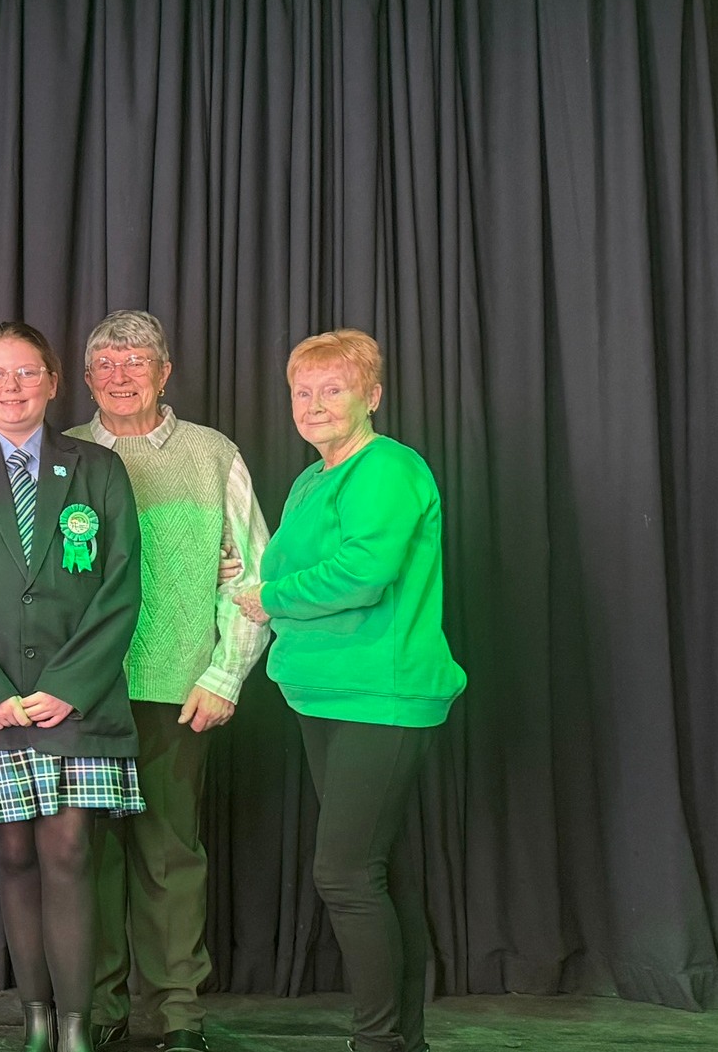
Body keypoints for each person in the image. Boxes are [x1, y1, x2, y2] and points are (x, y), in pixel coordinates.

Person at [0, 322, 144, 1052]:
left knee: (69, 850)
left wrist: (71, 685)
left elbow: (121, 588)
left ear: (52, 382)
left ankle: (76, 1024)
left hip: (74, 699)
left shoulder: (98, 468)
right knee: (15, 854)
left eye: (25, 373)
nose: (10, 387)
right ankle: (35, 1016)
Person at [234, 328, 465, 1052]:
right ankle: (401, 1041)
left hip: (381, 696)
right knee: (377, 873)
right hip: (321, 694)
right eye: (302, 391)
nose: (315, 404)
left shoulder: (388, 467)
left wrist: (269, 597)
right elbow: (284, 567)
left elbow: (363, 574)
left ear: (373, 395)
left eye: (333, 389)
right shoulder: (311, 480)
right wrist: (252, 582)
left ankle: (376, 1042)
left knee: (345, 874)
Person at [63, 311, 272, 1052]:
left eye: (136, 361)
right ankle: (96, 1008)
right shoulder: (62, 453)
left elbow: (252, 575)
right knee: (83, 854)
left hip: (176, 687)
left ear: (164, 371)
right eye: (106, 363)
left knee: (169, 856)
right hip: (79, 691)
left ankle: (176, 1014)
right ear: (86, 379)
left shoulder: (213, 454)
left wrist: (225, 673)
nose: (120, 375)